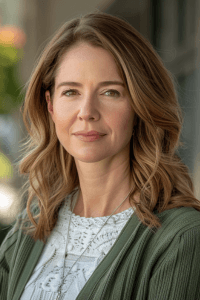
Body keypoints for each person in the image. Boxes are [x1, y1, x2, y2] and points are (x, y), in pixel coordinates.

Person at [1, 10, 200, 300]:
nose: (87, 113)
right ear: (50, 104)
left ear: (140, 105)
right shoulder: (30, 225)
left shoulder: (181, 239)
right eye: (71, 92)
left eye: (110, 93)